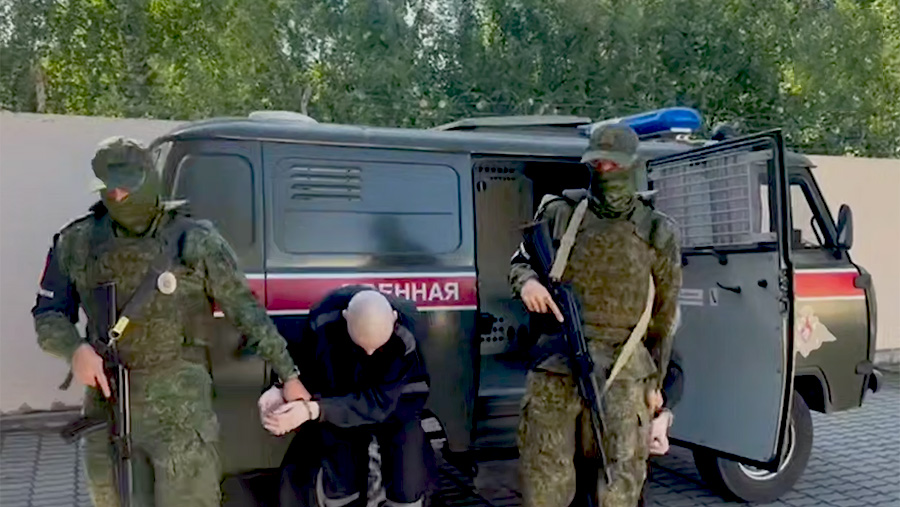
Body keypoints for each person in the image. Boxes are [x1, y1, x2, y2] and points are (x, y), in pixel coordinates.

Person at [31, 137, 308, 507]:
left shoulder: (193, 241)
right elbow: (48, 314)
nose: (117, 196)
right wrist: (74, 349)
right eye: (109, 188)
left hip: (180, 413)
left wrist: (288, 375)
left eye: (126, 187)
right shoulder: (76, 243)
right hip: (108, 405)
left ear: (148, 182)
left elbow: (247, 312)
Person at [509, 123, 683, 507]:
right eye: (597, 163)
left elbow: (665, 316)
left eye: (613, 164)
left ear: (632, 165)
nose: (604, 170)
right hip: (556, 363)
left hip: (625, 368)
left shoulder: (657, 230)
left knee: (619, 480)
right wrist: (527, 283)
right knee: (545, 477)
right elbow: (521, 261)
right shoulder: (560, 213)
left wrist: (657, 385)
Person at [258, 286, 431, 507]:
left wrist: (313, 410)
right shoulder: (322, 319)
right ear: (345, 317)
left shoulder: (408, 334)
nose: (369, 353)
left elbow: (378, 403)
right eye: (361, 345)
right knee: (340, 475)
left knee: (407, 481)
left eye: (376, 347)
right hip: (340, 400)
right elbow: (300, 358)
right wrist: (280, 386)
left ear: (394, 318)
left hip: (396, 402)